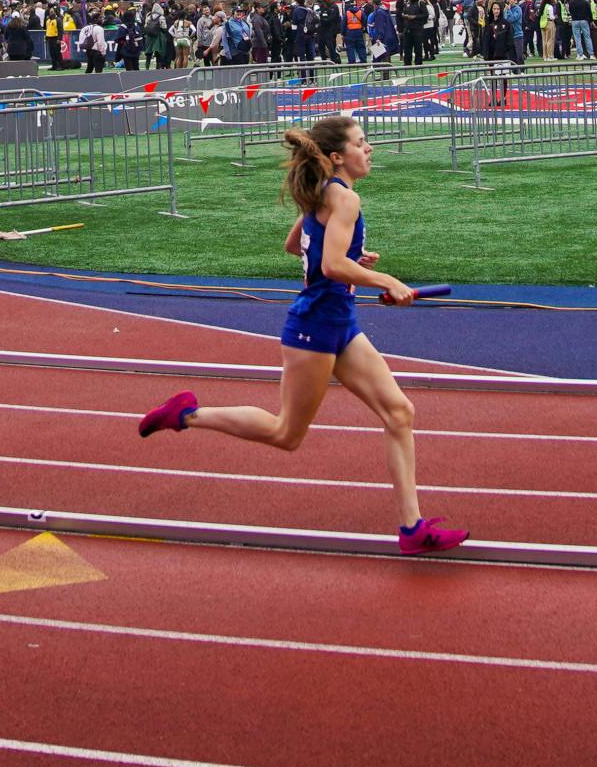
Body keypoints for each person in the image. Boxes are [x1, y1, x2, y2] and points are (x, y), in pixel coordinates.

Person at [137, 115, 467, 556]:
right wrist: (386, 279)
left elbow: (298, 247)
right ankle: (187, 414)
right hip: (313, 327)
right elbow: (329, 266)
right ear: (337, 157)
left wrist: (354, 258)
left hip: (340, 323)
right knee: (286, 434)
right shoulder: (344, 199)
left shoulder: (325, 195)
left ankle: (412, 529)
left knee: (399, 413)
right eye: (361, 143)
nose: (369, 149)